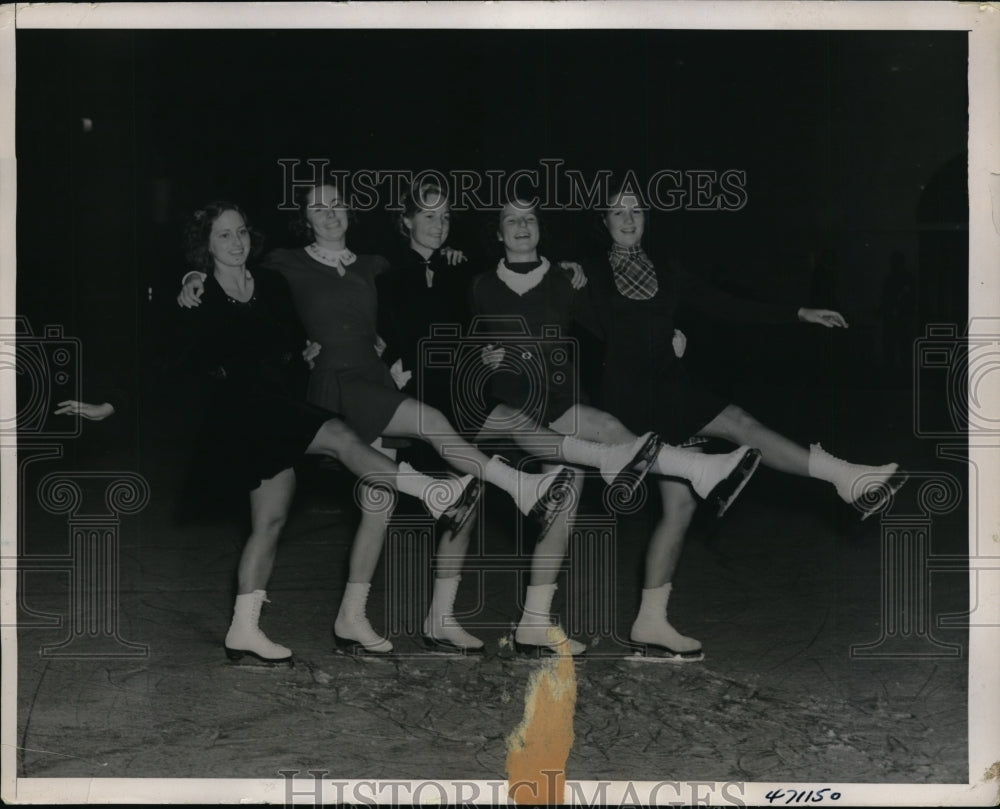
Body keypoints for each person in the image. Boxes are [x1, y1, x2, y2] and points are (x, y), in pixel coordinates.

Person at [178, 182, 575, 654]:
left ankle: (349, 618)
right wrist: (189, 276)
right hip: (334, 385)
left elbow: (418, 286)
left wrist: (548, 265)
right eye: (318, 207)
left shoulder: (375, 264)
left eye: (338, 205)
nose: (330, 214)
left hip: (373, 380)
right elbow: (229, 282)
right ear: (305, 218)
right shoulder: (285, 263)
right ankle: (508, 487)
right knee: (429, 421)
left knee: (375, 507)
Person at [585, 184, 907, 660]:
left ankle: (649, 623)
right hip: (631, 396)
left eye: (636, 210)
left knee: (680, 508)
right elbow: (575, 323)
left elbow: (726, 305)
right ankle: (847, 479)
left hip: (670, 385)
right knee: (736, 420)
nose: (628, 218)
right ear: (605, 221)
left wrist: (797, 311)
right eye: (618, 211)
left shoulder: (665, 271)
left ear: (647, 218)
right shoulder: (586, 273)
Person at [466, 197, 763, 656]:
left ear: (540, 228)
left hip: (558, 397)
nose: (522, 225)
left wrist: (666, 339)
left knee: (565, 492)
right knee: (587, 437)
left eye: (530, 218)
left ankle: (533, 624)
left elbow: (622, 323)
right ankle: (698, 469)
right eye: (512, 220)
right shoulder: (479, 285)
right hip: (503, 402)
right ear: (498, 233)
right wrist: (480, 356)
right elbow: (457, 335)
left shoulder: (568, 279)